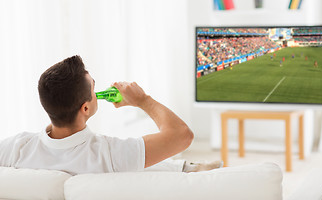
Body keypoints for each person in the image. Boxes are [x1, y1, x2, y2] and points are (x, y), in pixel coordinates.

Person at [0, 56, 221, 175]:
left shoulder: (16, 148)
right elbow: (182, 135)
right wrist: (142, 100)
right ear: (85, 109)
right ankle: (188, 168)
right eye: (94, 89)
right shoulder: (110, 154)